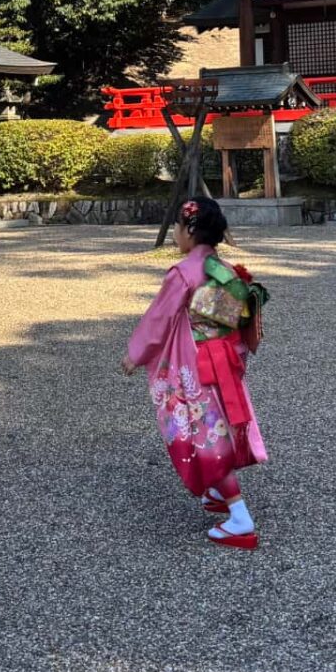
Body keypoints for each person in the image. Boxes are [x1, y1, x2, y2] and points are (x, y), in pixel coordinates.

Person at [122, 195, 268, 549]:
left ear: (189, 229)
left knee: (206, 435)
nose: (174, 232)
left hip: (196, 363)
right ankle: (218, 493)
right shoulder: (222, 268)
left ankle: (239, 518)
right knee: (218, 425)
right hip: (222, 359)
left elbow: (159, 318)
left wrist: (135, 353)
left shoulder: (184, 273)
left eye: (176, 225)